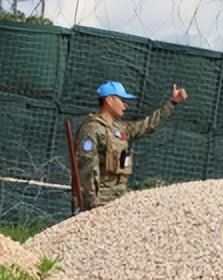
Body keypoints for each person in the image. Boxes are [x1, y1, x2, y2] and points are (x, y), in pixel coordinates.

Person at [75, 80, 188, 210]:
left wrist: (172, 103)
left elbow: (147, 125)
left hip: (120, 194)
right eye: (122, 100)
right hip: (101, 197)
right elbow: (87, 166)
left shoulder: (119, 129)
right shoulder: (92, 129)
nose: (125, 105)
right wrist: (92, 201)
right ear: (110, 100)